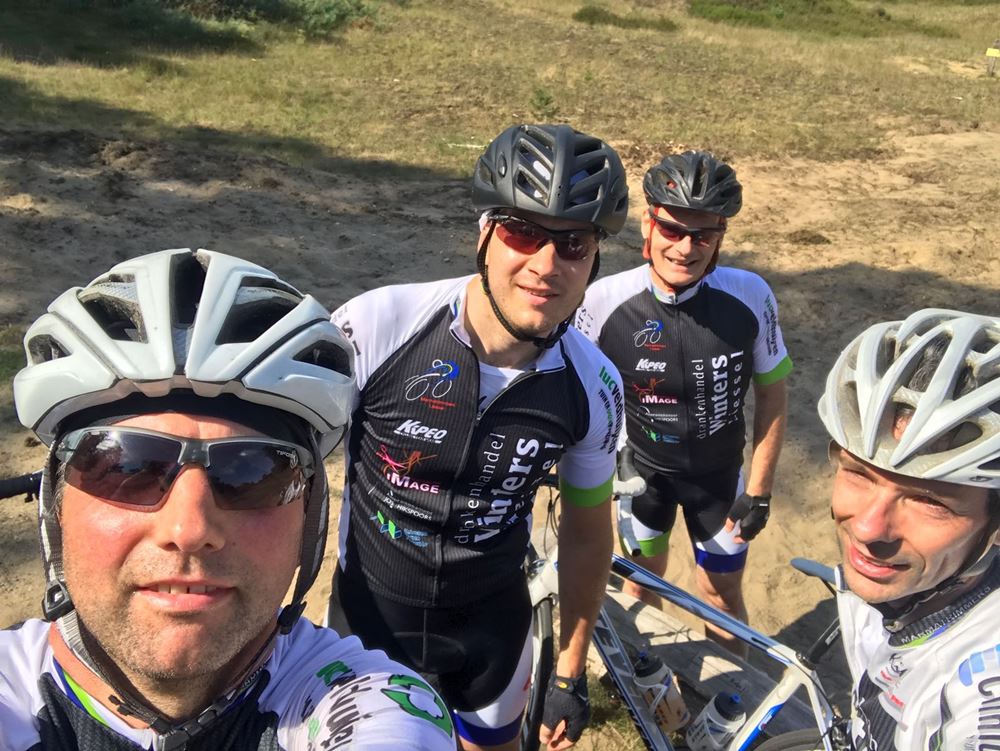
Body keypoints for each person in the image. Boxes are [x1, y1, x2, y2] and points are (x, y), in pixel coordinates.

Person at [0, 248, 456, 750]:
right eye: (129, 469)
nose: (190, 529)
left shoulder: (374, 703)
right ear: (55, 506)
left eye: (253, 473)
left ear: (309, 518)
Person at [328, 123, 628, 751]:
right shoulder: (377, 325)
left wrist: (570, 670)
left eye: (572, 244)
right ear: (484, 235)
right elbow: (288, 477)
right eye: (522, 232)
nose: (546, 265)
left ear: (595, 260)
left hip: (492, 631)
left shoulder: (594, 384)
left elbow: (587, 533)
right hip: (369, 618)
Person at [574, 150, 792, 655]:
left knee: (720, 596)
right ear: (648, 225)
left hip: (719, 481)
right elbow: (583, 392)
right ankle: (646, 686)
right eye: (672, 230)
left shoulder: (750, 294)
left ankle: (733, 692)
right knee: (640, 587)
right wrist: (611, 454)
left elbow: (773, 392)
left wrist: (759, 490)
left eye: (703, 235)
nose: (685, 248)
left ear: (720, 237)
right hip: (642, 478)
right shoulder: (603, 300)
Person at [818, 308, 1000, 749]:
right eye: (858, 474)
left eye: (929, 501)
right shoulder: (906, 584)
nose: (867, 528)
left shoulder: (978, 707)